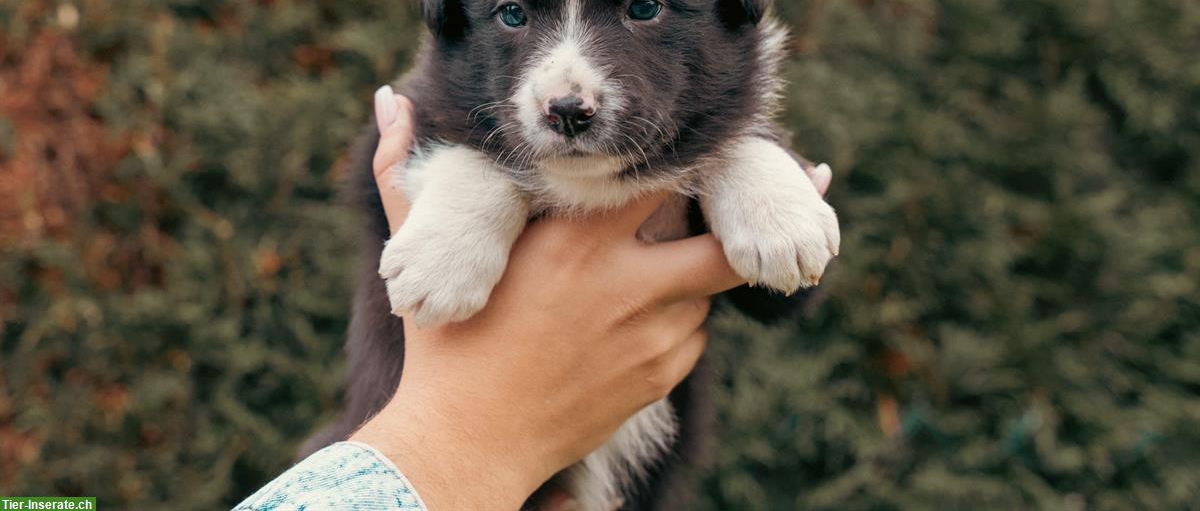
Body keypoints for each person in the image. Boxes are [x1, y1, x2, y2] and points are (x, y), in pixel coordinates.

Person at [233, 88, 833, 511]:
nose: (571, 83)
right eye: (515, 13)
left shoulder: (707, 137)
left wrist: (750, 164)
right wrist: (476, 200)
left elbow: (779, 296)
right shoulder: (465, 134)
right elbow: (400, 170)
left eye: (642, 8)